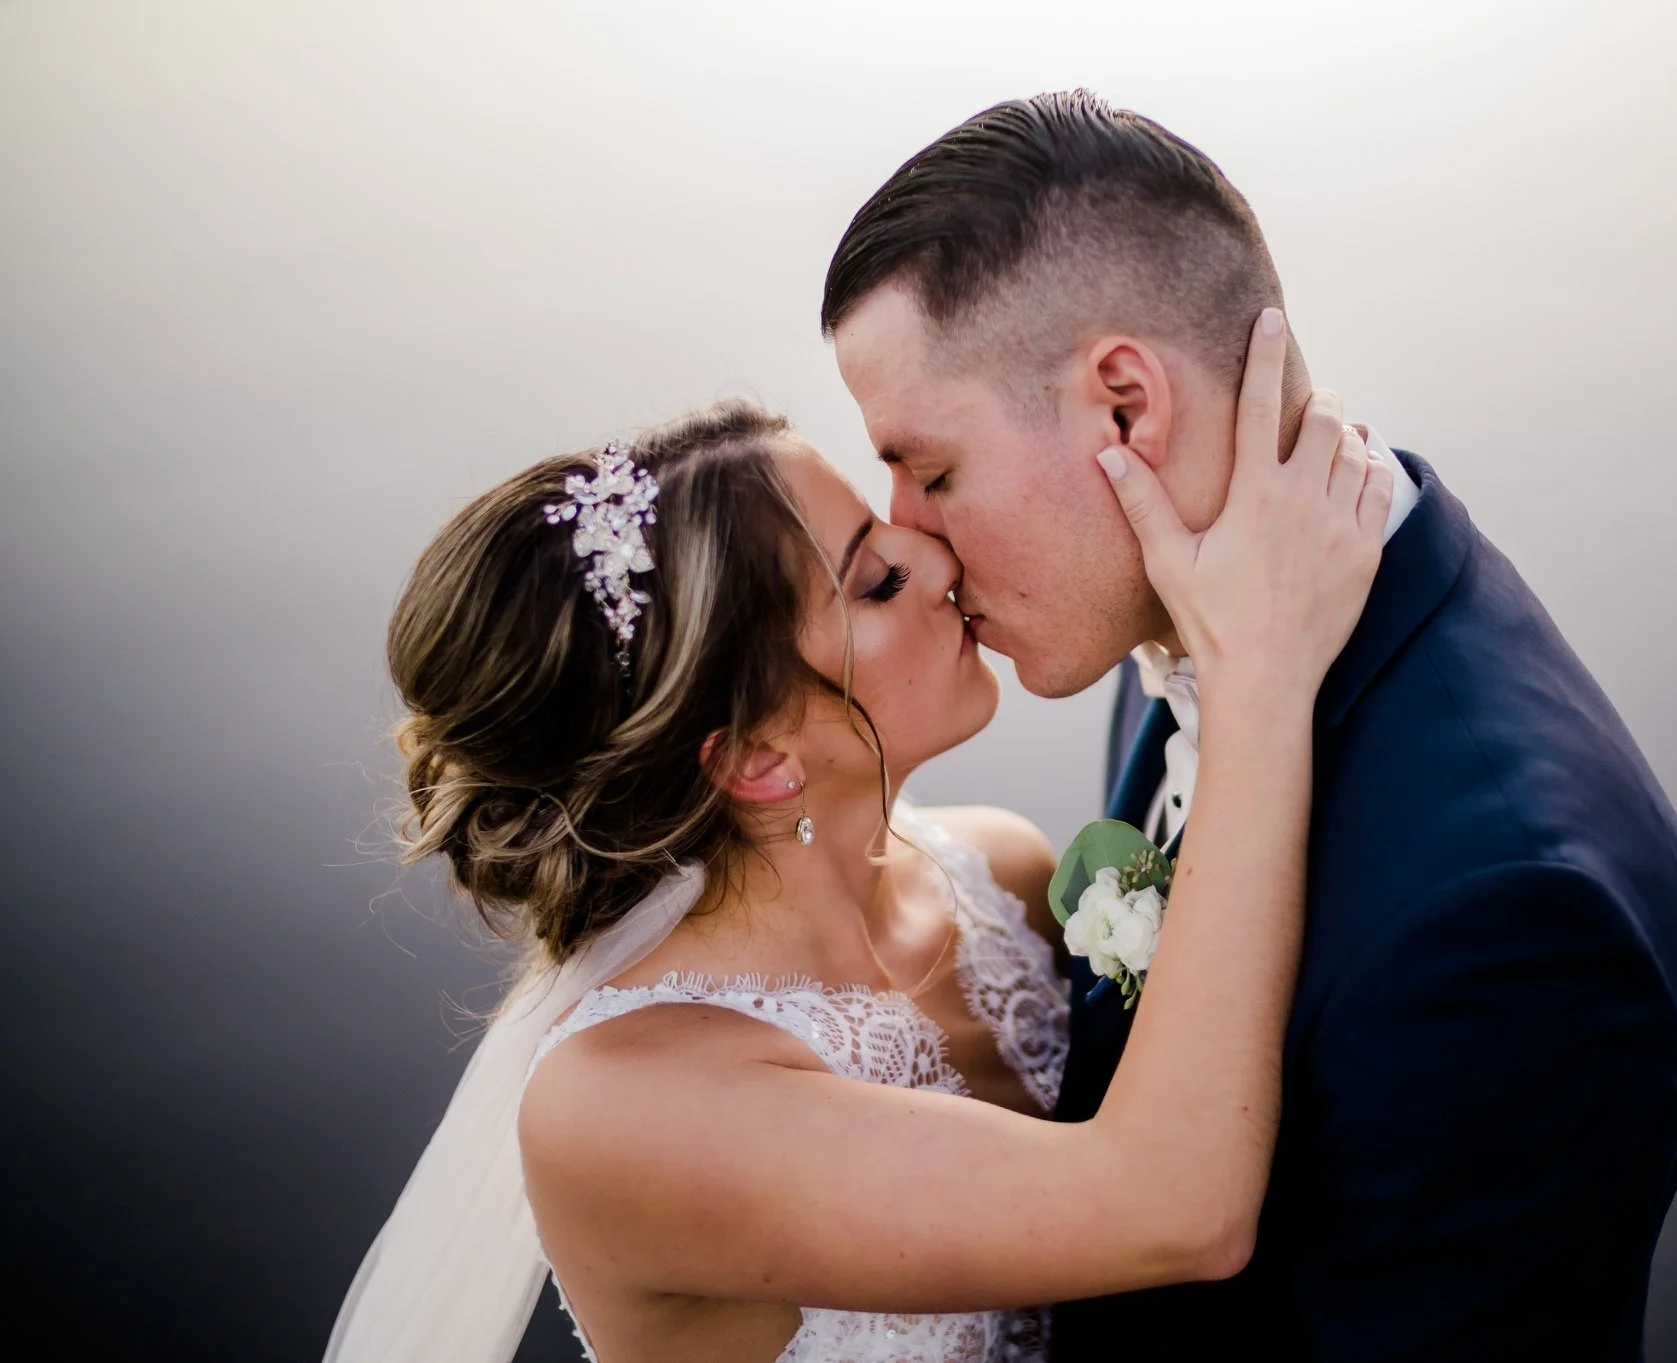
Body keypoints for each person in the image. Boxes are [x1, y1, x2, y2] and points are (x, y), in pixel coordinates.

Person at [822, 90, 1677, 1361]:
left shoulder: (1509, 920)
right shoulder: (1194, 624)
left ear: (1124, 408)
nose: (904, 528)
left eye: (931, 467)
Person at [324, 316, 1396, 1362]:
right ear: (756, 759)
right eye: (875, 580)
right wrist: (1256, 666)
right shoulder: (621, 1110)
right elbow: (1173, 1208)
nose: (934, 556)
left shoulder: (1002, 876)